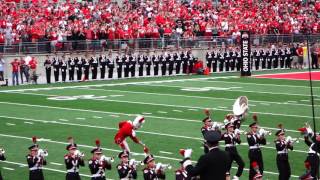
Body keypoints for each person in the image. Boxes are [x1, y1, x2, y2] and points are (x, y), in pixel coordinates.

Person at [247, 115, 266, 180]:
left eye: (256, 127)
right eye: (255, 127)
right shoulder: (249, 134)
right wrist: (259, 136)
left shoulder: (257, 134)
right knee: (253, 169)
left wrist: (263, 136)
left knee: (261, 168)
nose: (256, 128)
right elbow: (252, 142)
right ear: (252, 128)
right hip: (253, 153)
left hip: (258, 152)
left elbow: (264, 143)